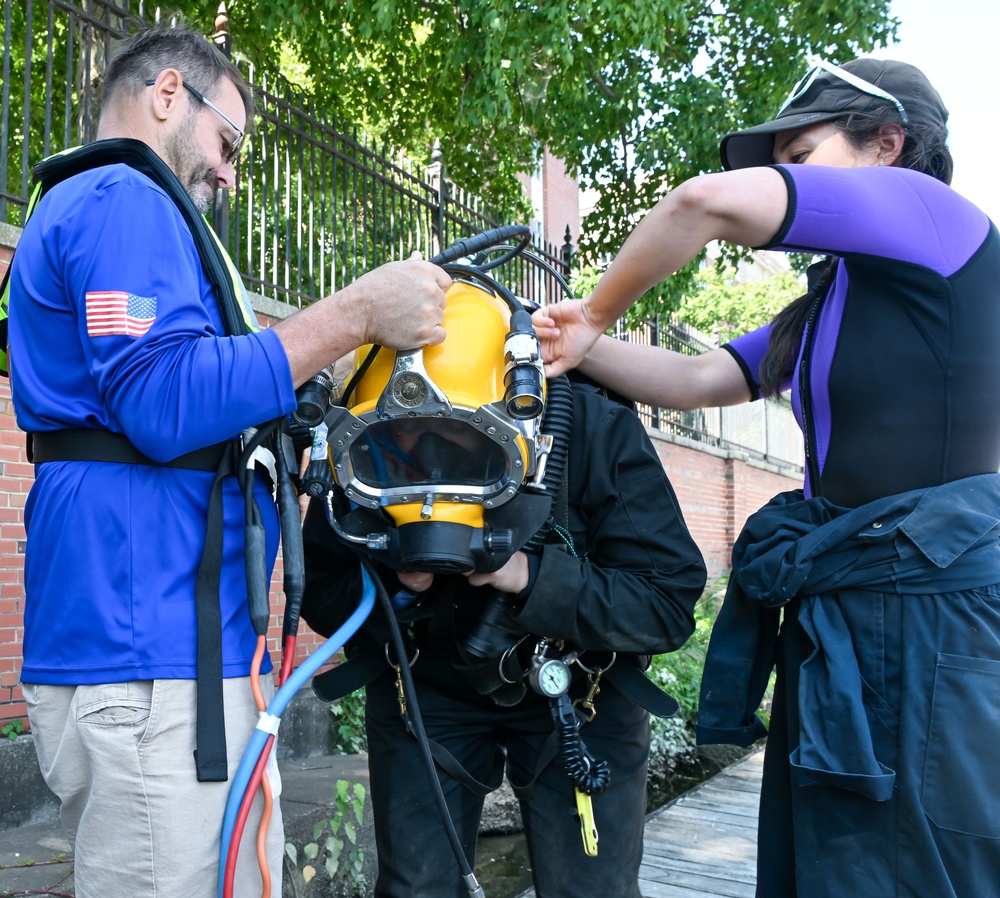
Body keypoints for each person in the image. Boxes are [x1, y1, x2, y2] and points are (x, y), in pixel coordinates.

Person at [533, 55, 1000, 897]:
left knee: (926, 864)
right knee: (829, 860)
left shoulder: (935, 216)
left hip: (933, 613)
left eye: (802, 154)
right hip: (846, 613)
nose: (782, 176)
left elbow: (700, 202)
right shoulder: (830, 300)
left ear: (888, 142)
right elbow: (694, 381)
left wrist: (595, 310)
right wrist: (578, 348)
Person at [8, 24, 451, 898]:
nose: (230, 174)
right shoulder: (122, 196)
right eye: (229, 144)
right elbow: (165, 399)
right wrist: (354, 311)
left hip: (165, 648)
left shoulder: (101, 207)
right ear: (168, 92)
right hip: (148, 653)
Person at [300, 363, 707, 897]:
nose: (428, 441)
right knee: (416, 887)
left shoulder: (586, 425)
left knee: (591, 888)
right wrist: (400, 586)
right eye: (412, 429)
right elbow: (321, 591)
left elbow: (665, 604)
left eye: (457, 432)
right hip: (423, 686)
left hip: (580, 686)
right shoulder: (367, 428)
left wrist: (530, 578)